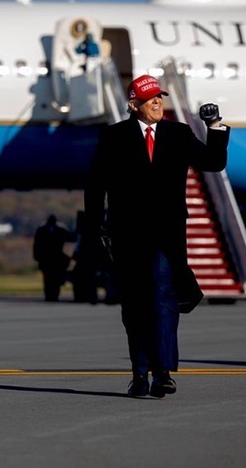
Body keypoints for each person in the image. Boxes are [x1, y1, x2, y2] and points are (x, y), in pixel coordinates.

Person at [83, 74, 230, 398]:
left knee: (163, 298)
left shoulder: (178, 133)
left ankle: (163, 373)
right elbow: (95, 187)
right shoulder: (114, 137)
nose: (157, 103)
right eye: (150, 99)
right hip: (127, 236)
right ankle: (139, 374)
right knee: (134, 306)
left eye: (159, 97)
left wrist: (215, 126)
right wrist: (94, 234)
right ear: (133, 105)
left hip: (167, 236)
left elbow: (213, 162)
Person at [33, 215, 76, 302]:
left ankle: (54, 295)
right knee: (48, 279)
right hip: (47, 259)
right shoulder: (42, 231)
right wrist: (37, 256)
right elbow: (36, 245)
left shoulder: (59, 230)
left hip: (56, 259)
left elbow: (71, 238)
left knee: (54, 279)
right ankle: (49, 295)